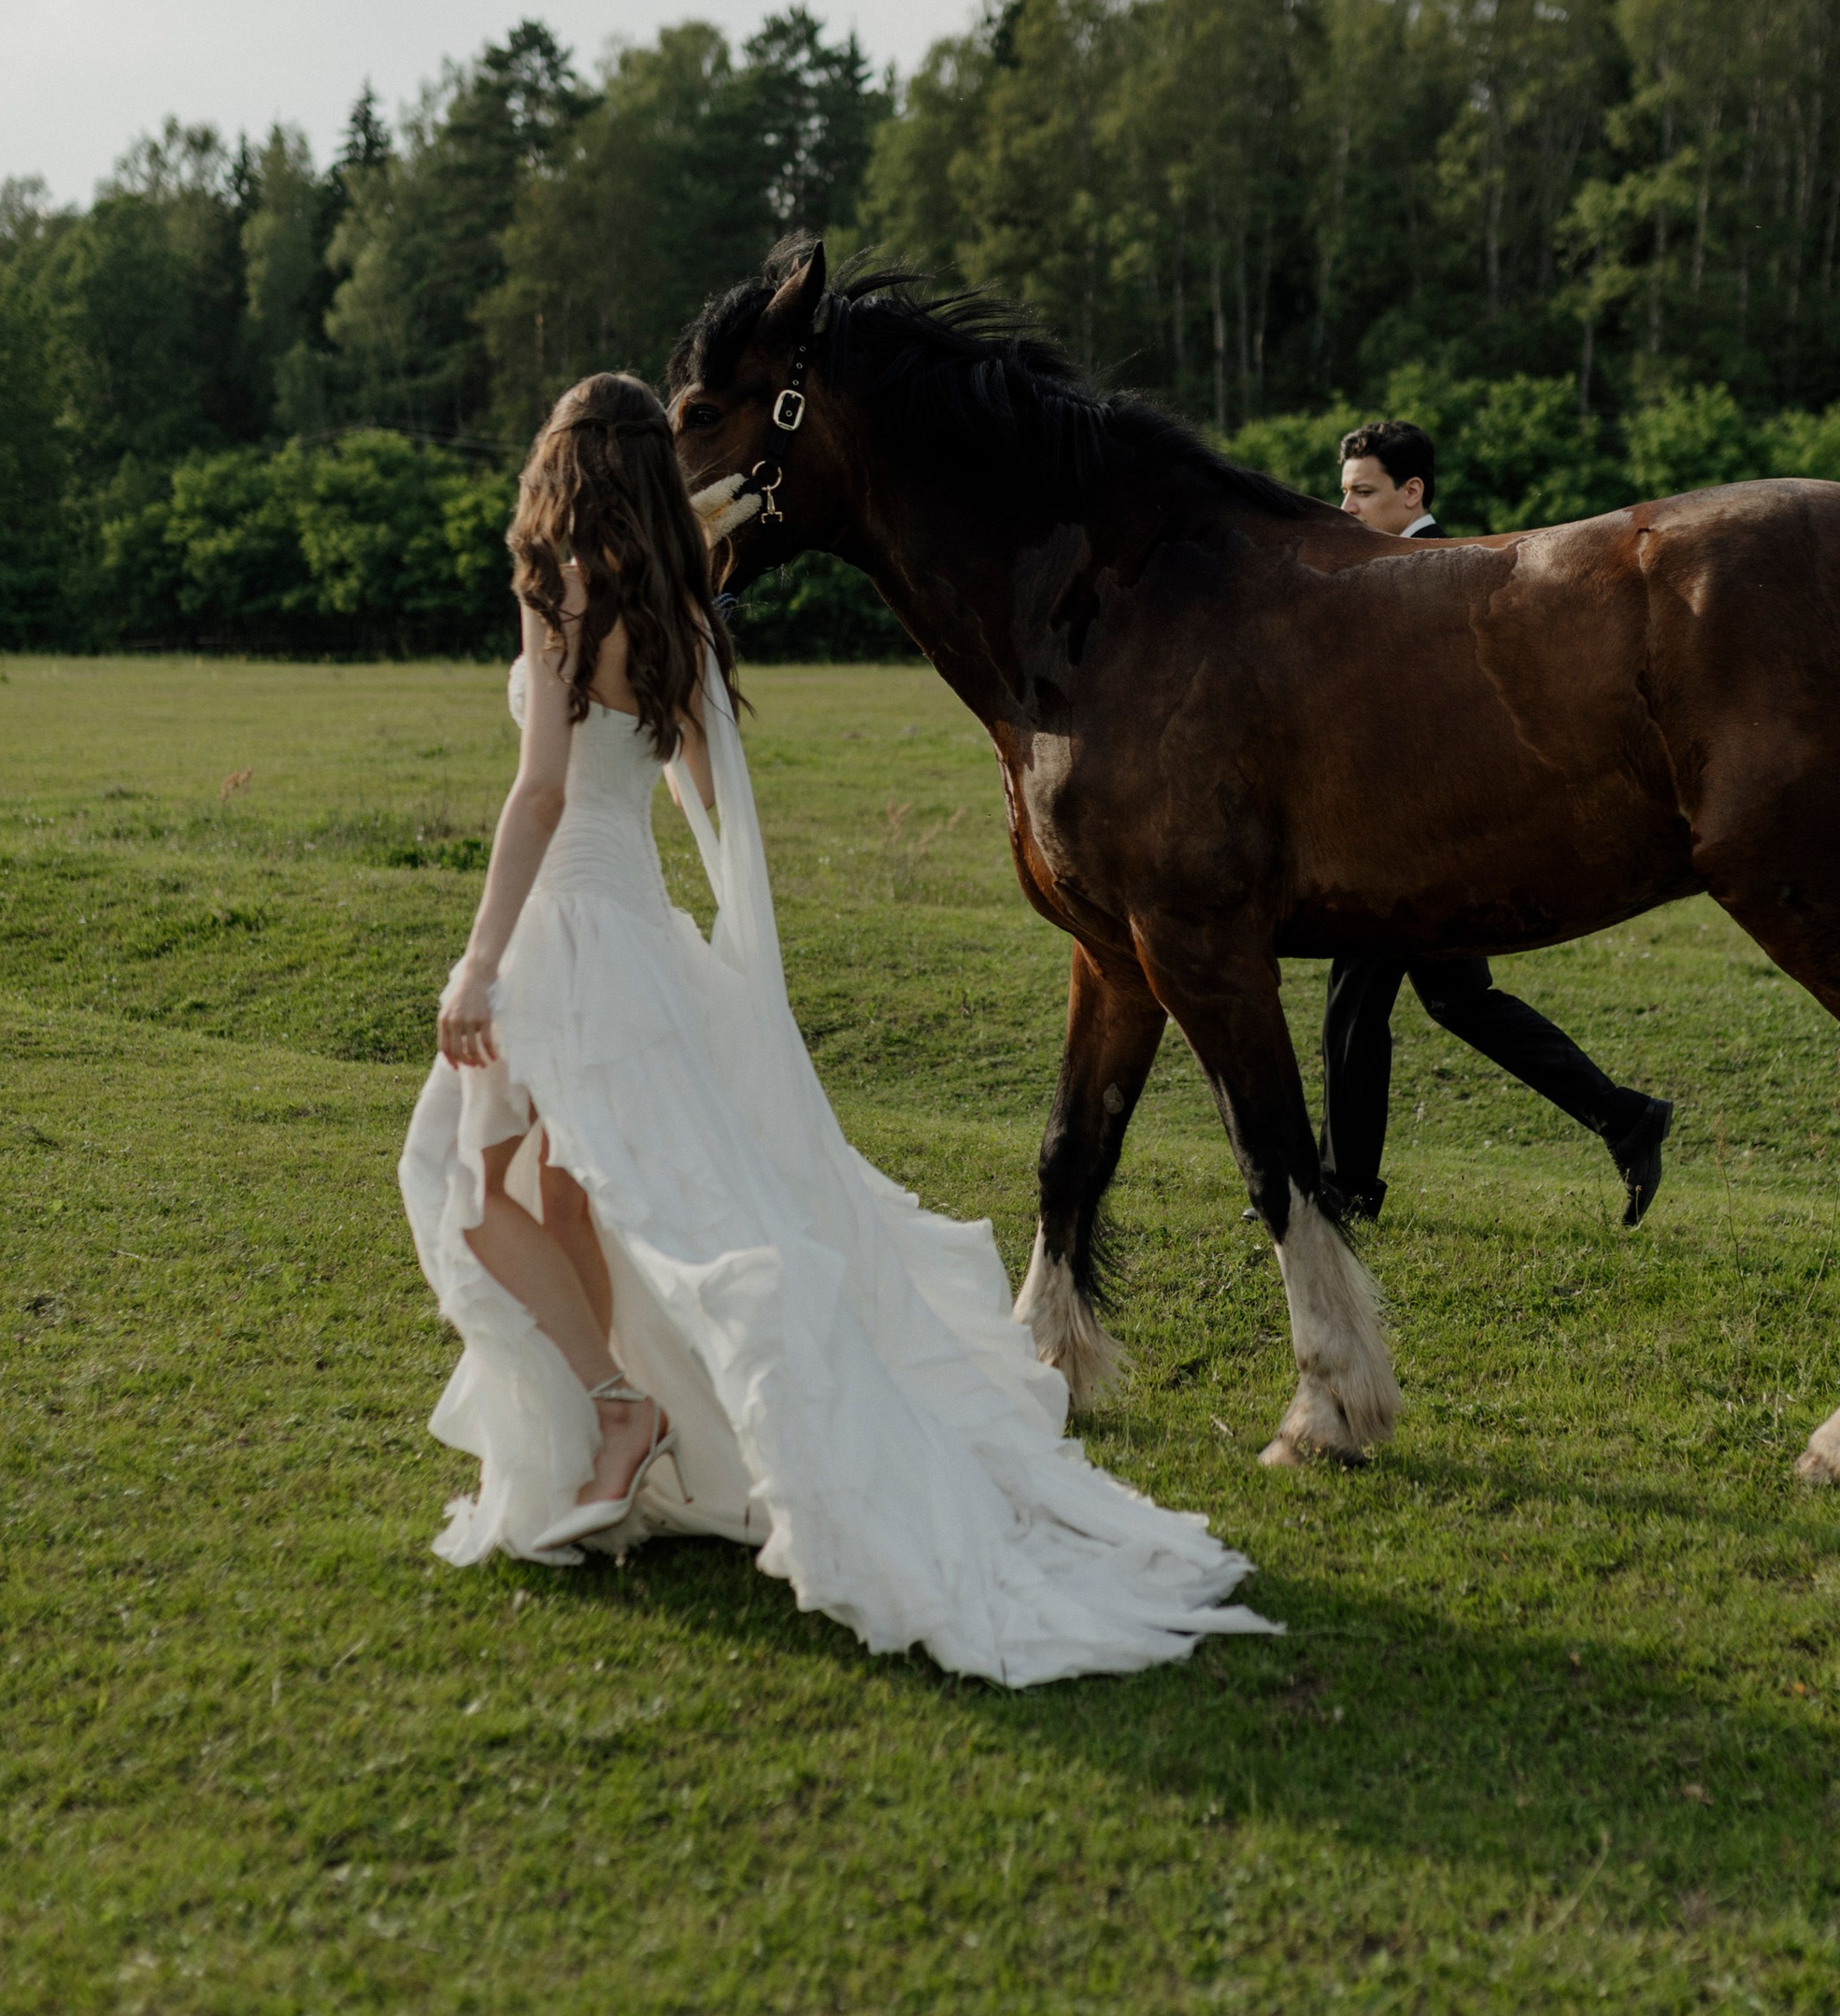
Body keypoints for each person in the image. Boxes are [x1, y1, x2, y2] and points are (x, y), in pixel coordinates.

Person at [398, 371, 1271, 1684]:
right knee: (568, 1189)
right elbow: (694, 788)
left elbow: (537, 796)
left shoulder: (560, 588)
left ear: (561, 468)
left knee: (473, 1194)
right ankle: (615, 1420)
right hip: (630, 927)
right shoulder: (677, 607)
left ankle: (618, 1409)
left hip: (562, 932)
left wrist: (477, 963)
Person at [1319, 416, 1675, 1227]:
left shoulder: (1434, 570)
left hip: (1416, 835)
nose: (1346, 510)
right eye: (1343, 493)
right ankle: (1624, 1116)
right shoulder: (1393, 568)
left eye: (1362, 493)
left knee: (1356, 1000)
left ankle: (1344, 1188)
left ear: (1412, 492)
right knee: (1455, 998)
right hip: (1419, 829)